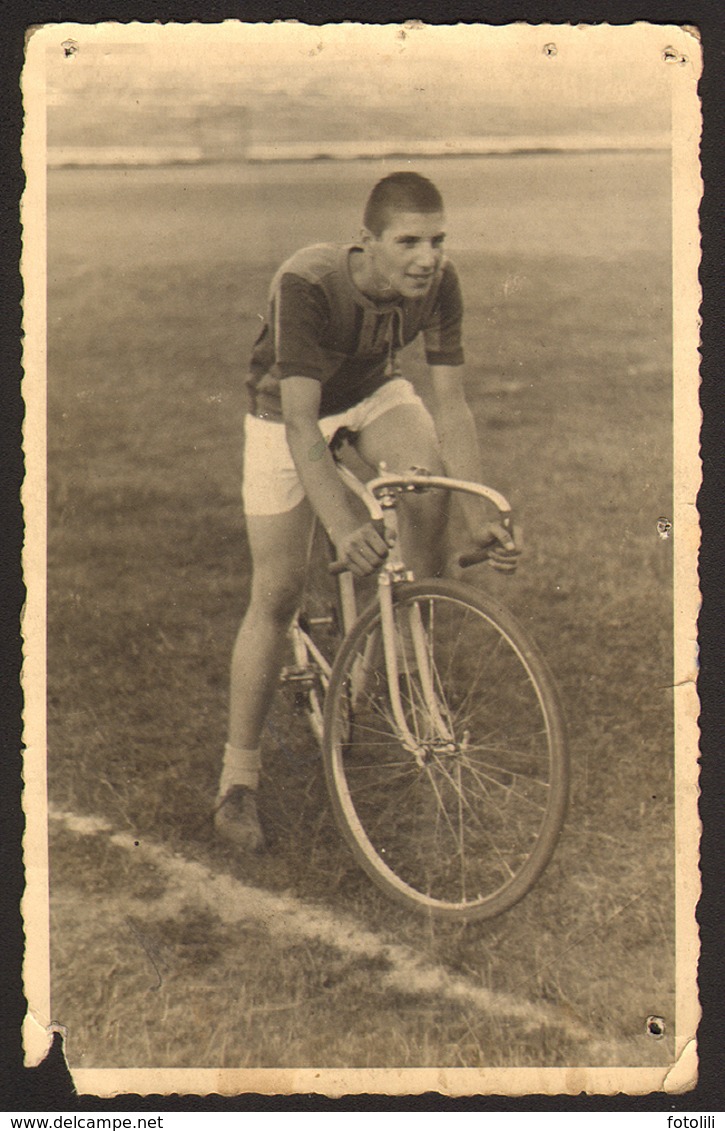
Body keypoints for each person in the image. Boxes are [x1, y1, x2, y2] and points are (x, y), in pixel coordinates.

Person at [214, 171, 520, 850]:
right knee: (277, 592)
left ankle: (401, 657)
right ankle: (238, 780)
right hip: (283, 416)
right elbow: (300, 427)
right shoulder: (309, 282)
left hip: (371, 395)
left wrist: (479, 516)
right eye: (408, 241)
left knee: (429, 485)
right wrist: (346, 525)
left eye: (436, 239)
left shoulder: (441, 284)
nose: (427, 256)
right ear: (367, 241)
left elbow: (452, 405)